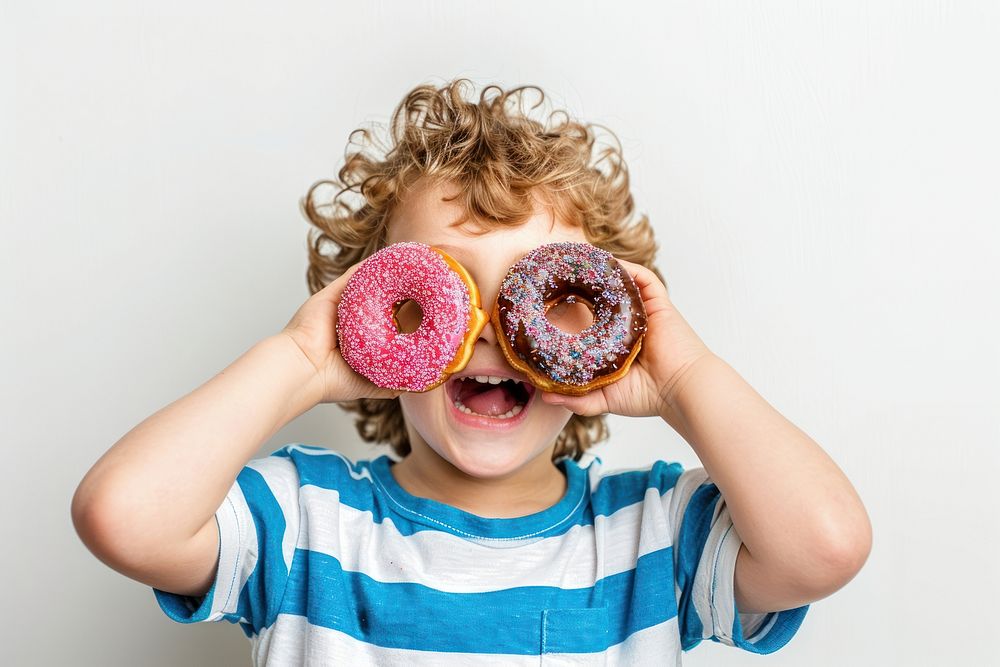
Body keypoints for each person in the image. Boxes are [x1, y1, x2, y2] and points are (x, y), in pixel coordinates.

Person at [71, 79, 871, 665]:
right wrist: (300, 359)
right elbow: (122, 516)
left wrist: (683, 375)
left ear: (607, 328)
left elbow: (825, 545)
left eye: (541, 292)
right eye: (445, 290)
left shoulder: (654, 538)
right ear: (377, 320)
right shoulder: (308, 521)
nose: (492, 328)